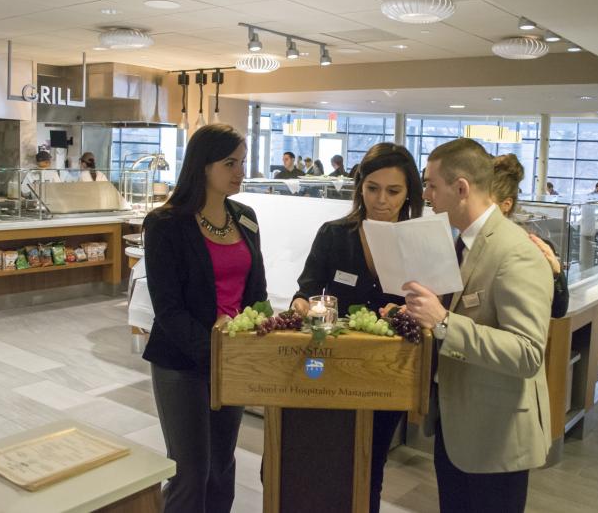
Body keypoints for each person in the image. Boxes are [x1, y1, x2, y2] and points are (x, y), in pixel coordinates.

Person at [403, 138, 553, 513]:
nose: (426, 195)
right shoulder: (464, 243)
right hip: (457, 427)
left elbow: (527, 353)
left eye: (432, 185)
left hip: (496, 436)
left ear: (461, 188)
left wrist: (442, 321)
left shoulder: (514, 252)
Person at [291, 143, 424, 513]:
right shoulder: (335, 235)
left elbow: (434, 306)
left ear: (409, 192)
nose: (381, 200)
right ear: (359, 187)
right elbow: (306, 289)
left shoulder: (419, 242)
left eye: (393, 191)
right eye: (372, 188)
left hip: (389, 370)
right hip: (332, 366)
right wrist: (302, 304)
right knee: (327, 457)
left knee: (371, 460)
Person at [143, 124, 267, 513]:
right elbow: (168, 308)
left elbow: (256, 293)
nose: (239, 171)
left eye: (242, 162)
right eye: (230, 163)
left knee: (221, 467)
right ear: (202, 165)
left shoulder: (245, 218)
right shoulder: (165, 224)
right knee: (190, 471)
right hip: (183, 361)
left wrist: (251, 335)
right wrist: (212, 351)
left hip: (231, 361)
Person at [492, 154, 569, 318]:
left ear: (506, 204)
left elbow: (558, 309)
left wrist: (556, 273)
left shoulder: (531, 245)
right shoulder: (466, 242)